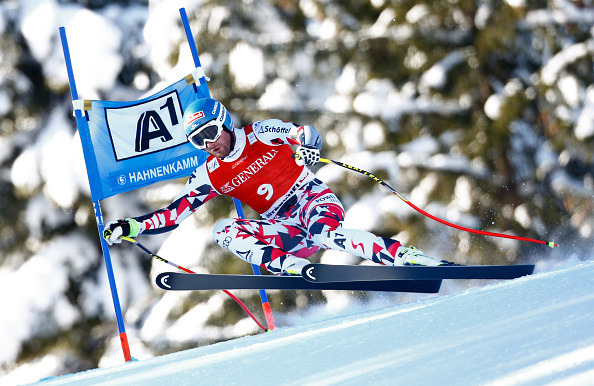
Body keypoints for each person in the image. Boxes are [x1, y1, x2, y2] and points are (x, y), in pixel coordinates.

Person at [103, 98, 453, 275]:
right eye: (199, 141)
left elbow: (302, 133)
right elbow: (175, 213)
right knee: (224, 229)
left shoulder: (260, 132)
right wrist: (132, 226)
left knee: (325, 235)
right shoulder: (212, 173)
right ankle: (291, 267)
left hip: (311, 199)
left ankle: (405, 257)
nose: (209, 144)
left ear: (223, 121)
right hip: (283, 227)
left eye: (210, 133)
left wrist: (305, 144)